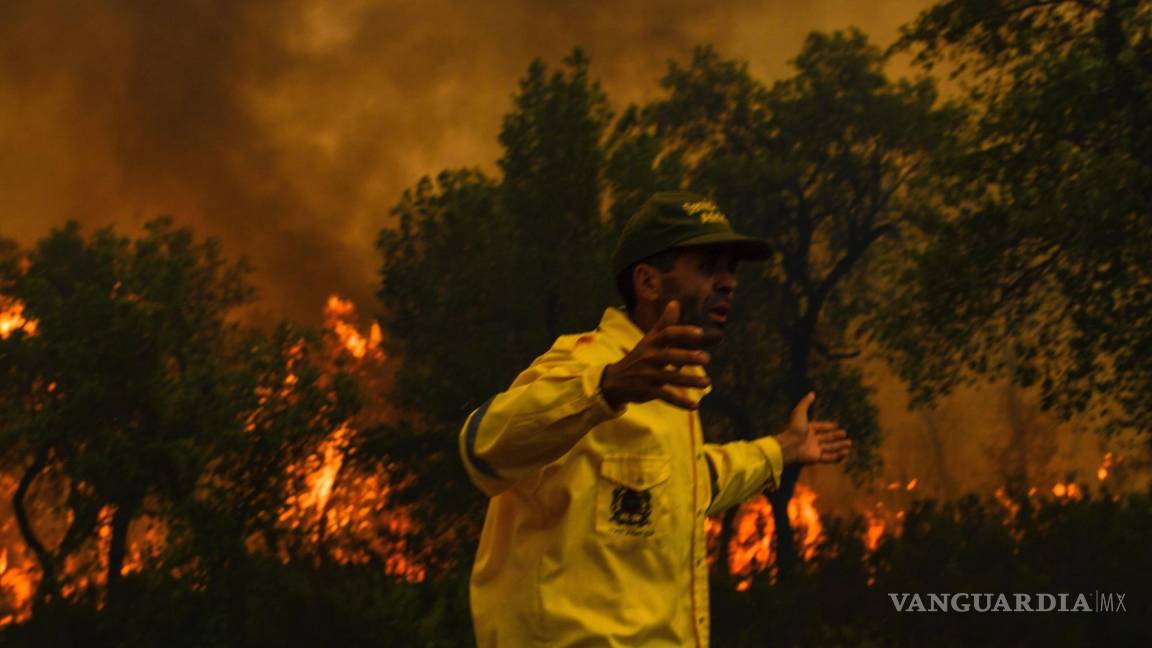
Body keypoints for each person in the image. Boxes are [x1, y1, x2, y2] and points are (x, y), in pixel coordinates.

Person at [458, 191, 852, 647]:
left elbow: (693, 480)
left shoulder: (672, 390)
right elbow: (480, 447)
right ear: (647, 282)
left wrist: (783, 448)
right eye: (709, 266)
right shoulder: (585, 364)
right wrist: (605, 388)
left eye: (732, 269)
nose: (729, 282)